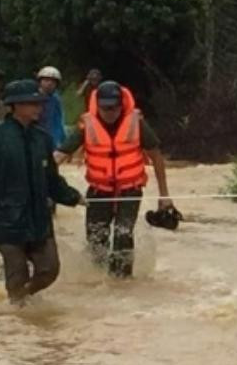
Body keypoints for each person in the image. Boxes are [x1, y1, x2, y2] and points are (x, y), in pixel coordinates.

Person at [55, 81, 173, 278]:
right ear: (98, 105)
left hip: (130, 190)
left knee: (123, 234)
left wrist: (164, 195)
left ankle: (122, 282)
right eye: (105, 107)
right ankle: (98, 280)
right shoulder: (86, 125)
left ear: (121, 104)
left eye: (114, 107)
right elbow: (59, 155)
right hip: (98, 190)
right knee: (96, 239)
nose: (110, 112)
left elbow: (157, 157)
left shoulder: (136, 123)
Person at [0, 80, 85, 304]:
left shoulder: (42, 138)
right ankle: (19, 322)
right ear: (14, 106)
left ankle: (20, 301)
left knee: (50, 270)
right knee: (16, 276)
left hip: (39, 219)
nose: (38, 108)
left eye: (39, 103)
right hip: (7, 221)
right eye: (32, 103)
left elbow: (52, 179)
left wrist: (73, 197)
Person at [36, 65, 66, 148]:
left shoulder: (56, 99)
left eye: (53, 81)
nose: (49, 83)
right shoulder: (33, 98)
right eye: (46, 80)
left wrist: (61, 140)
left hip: (52, 138)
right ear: (40, 81)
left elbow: (59, 120)